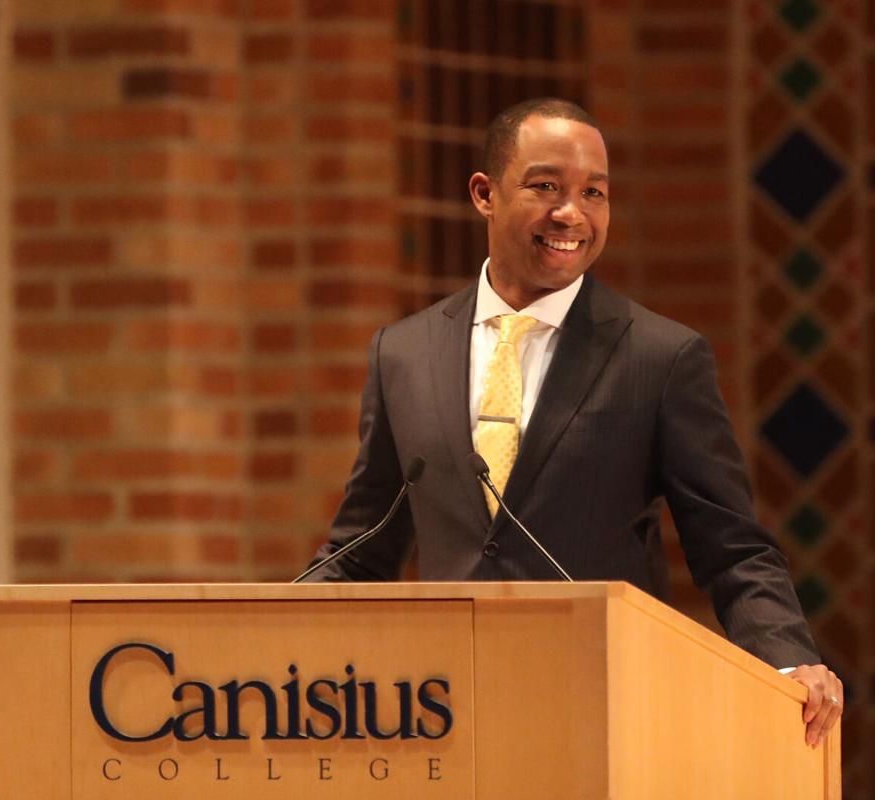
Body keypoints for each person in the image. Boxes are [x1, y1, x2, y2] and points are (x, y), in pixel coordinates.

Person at [307, 98, 843, 747]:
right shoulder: (404, 353)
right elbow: (362, 548)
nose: (573, 214)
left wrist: (788, 658)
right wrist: (263, 639)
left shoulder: (658, 358)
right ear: (484, 193)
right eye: (546, 187)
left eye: (594, 192)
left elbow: (730, 546)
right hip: (443, 717)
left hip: (605, 709)